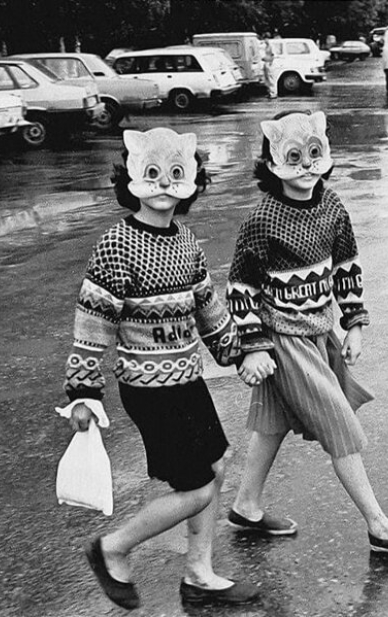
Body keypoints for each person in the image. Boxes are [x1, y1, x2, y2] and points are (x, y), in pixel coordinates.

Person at [60, 127, 259, 611]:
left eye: (175, 173)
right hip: (149, 388)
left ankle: (199, 574)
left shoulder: (186, 241)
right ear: (132, 178)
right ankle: (112, 548)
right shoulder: (117, 244)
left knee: (216, 466)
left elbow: (208, 308)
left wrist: (240, 352)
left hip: (187, 379)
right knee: (197, 489)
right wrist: (83, 391)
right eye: (153, 173)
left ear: (191, 180)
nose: (165, 184)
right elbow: (93, 321)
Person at [226, 110, 388, 555]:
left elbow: (346, 268)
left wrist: (354, 323)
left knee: (273, 423)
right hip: (282, 339)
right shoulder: (261, 221)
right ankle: (379, 526)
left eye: (313, 153)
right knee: (339, 423)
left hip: (320, 333)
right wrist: (253, 346)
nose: (306, 166)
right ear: (272, 160)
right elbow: (241, 289)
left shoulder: (333, 207)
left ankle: (246, 505)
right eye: (293, 156)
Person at [261, 34, 277, 99]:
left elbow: (273, 55)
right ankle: (269, 92)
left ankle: (273, 93)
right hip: (266, 62)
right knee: (267, 79)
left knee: (271, 79)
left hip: (270, 63)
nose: (265, 40)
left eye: (266, 39)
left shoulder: (271, 46)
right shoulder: (266, 46)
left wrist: (271, 62)